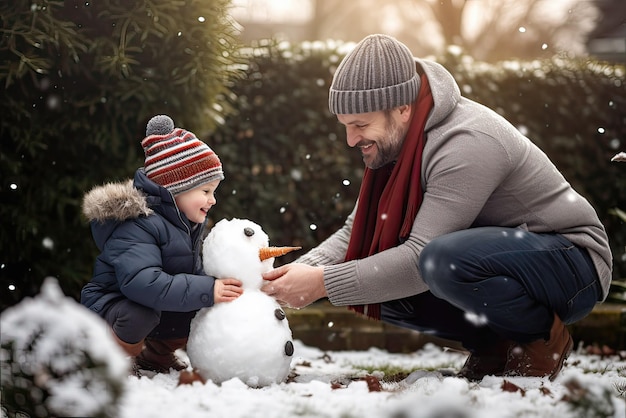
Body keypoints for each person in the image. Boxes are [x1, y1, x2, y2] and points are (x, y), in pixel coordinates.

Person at [262, 34, 612, 381]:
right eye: (345, 126)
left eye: (360, 125)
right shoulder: (398, 142)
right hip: (509, 261)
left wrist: (323, 284)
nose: (351, 140)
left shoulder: (467, 142)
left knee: (438, 260)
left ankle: (540, 339)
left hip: (572, 264)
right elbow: (356, 234)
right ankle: (493, 347)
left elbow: (417, 261)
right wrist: (294, 274)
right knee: (379, 283)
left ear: (402, 108)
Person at [81, 115, 243, 374]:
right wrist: (206, 289)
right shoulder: (137, 224)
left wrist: (219, 286)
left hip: (148, 302)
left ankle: (155, 355)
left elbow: (188, 277)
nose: (213, 200)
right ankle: (107, 358)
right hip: (112, 305)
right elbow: (141, 283)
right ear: (174, 189)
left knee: (199, 305)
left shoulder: (184, 223)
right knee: (142, 314)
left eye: (214, 192)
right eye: (205, 191)